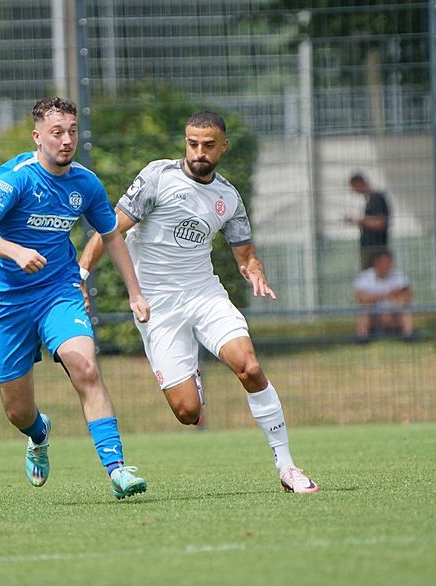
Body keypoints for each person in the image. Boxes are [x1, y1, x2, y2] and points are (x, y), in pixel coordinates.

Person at [79, 110, 319, 495]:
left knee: (250, 367)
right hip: (158, 306)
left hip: (204, 293)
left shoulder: (228, 197)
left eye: (209, 145)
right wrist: (82, 274)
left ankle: (287, 466)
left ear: (222, 146)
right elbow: (110, 229)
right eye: (193, 144)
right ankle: (192, 376)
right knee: (189, 413)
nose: (199, 152)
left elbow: (246, 255)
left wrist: (254, 270)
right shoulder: (158, 177)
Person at [0, 97, 150, 500]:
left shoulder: (85, 183)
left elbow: (111, 235)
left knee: (85, 368)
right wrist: (15, 252)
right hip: (5, 302)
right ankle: (39, 433)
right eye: (57, 133)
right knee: (18, 412)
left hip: (57, 292)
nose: (67, 140)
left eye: (72, 132)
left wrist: (135, 292)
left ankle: (117, 469)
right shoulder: (14, 178)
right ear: (38, 136)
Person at [352, 249, 414, 342]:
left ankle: (408, 335)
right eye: (385, 262)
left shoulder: (398, 275)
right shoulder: (364, 277)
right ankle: (362, 337)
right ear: (376, 263)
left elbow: (408, 295)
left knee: (403, 307)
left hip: (393, 312)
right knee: (365, 309)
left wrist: (395, 304)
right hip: (374, 314)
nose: (389, 265)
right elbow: (361, 298)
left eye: (390, 262)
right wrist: (388, 295)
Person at [345, 172, 391, 269]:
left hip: (376, 250)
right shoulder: (369, 199)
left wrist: (359, 220)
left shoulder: (377, 198)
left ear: (359, 183)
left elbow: (380, 223)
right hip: (369, 249)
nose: (353, 190)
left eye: (353, 187)